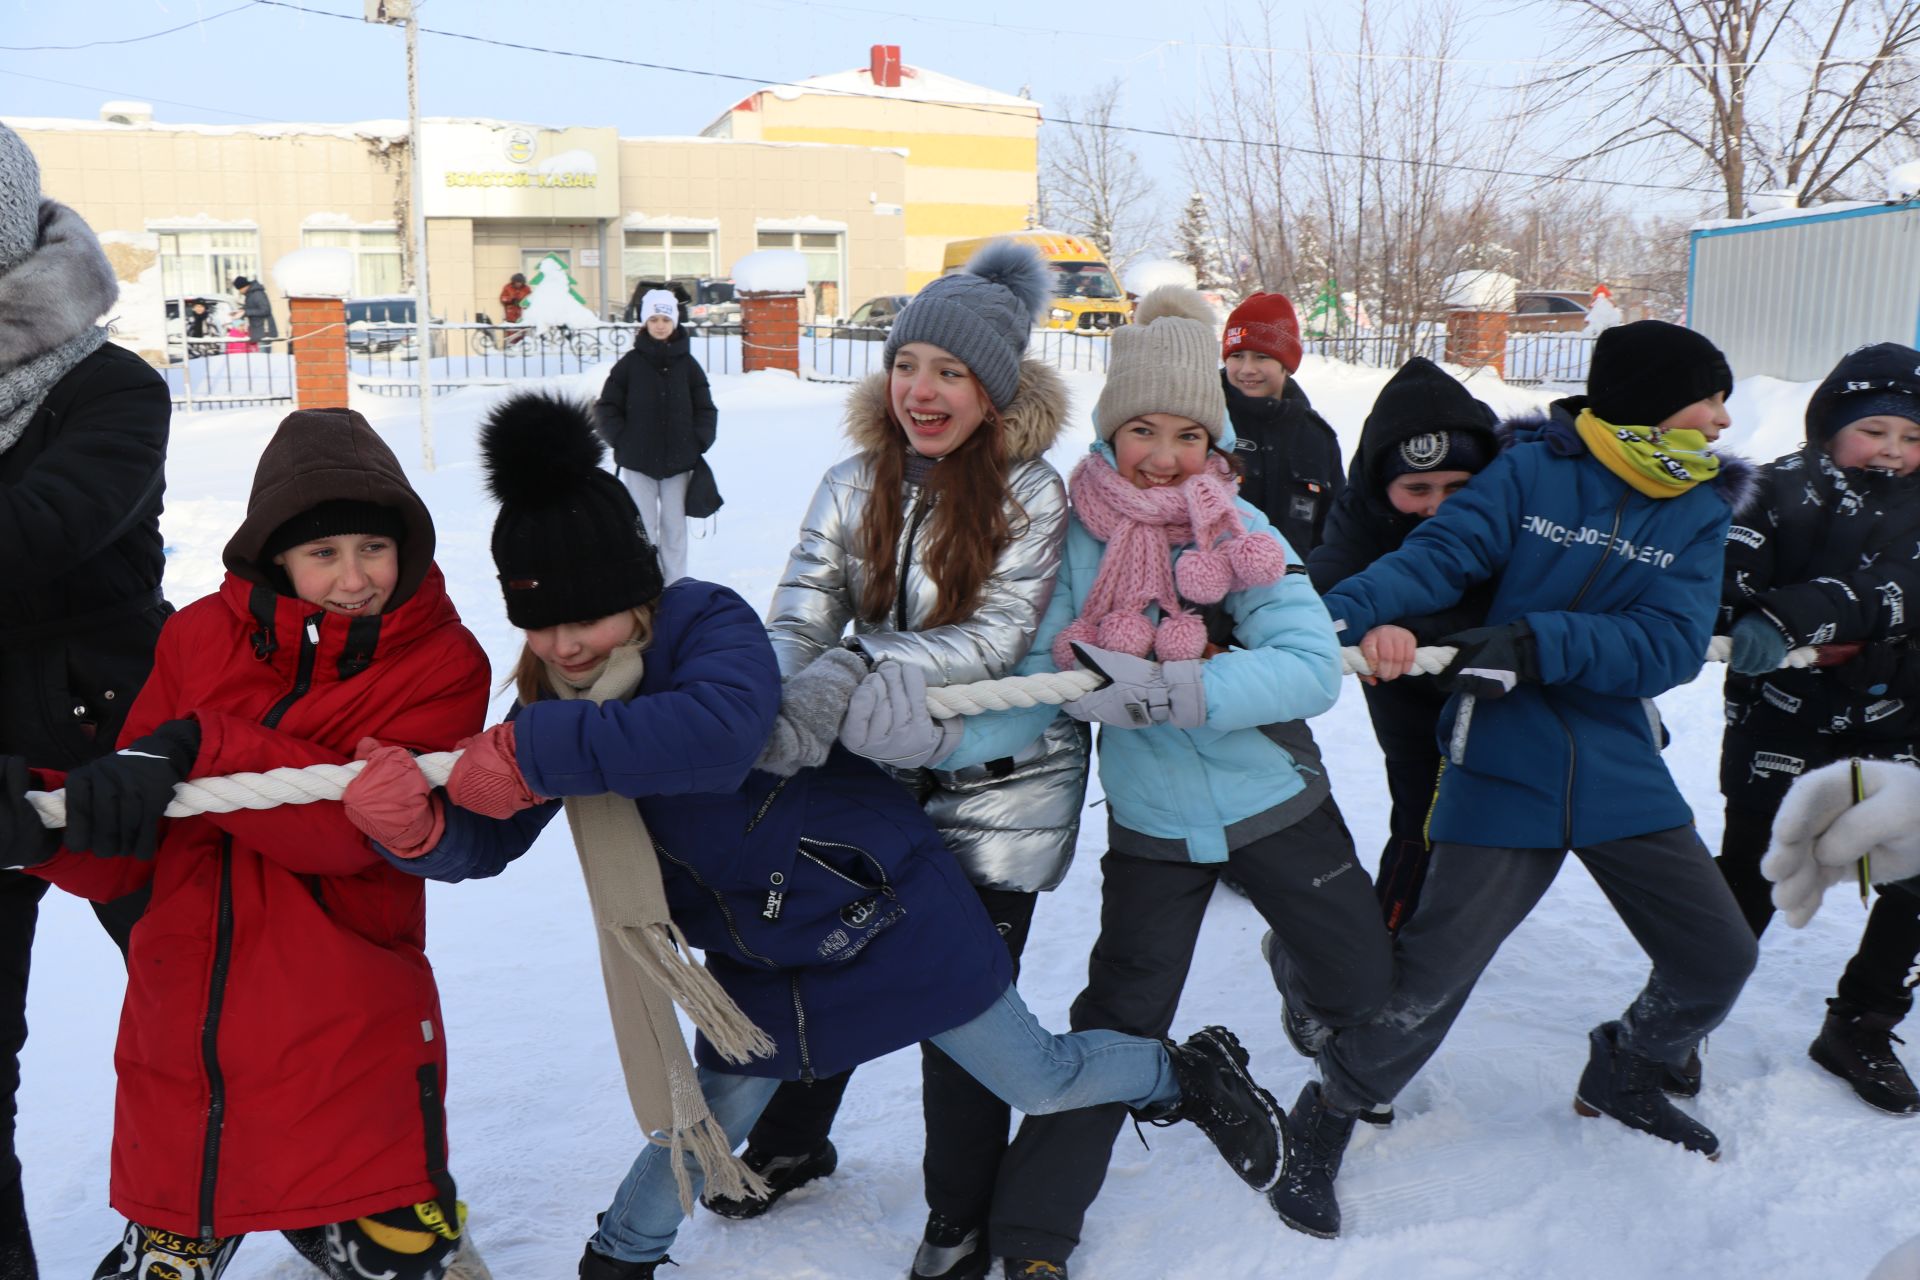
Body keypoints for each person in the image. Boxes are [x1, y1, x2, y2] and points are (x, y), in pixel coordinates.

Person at [337, 389, 1287, 1280]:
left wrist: (535, 748)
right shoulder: (559, 702)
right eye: (539, 627)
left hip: (884, 908)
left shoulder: (706, 626)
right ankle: (620, 1255)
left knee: (1038, 1077)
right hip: (762, 958)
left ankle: (1179, 1068)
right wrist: (417, 831)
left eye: (583, 618)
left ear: (636, 591)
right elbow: (493, 833)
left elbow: (721, 734)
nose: (563, 646)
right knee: (703, 1115)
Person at [934, 286, 1391, 1274]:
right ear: (1110, 428)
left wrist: (1179, 687)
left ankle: (1296, 969)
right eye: (1142, 427)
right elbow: (1039, 683)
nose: (1165, 452)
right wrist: (937, 739)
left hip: (1278, 804)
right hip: (1153, 829)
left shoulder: (1241, 527)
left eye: (1190, 431)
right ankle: (1034, 1235)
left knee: (1362, 984)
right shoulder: (1072, 537)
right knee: (1120, 1015)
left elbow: (1309, 665)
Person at [2, 407, 491, 1279]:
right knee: (177, 1229)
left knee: (410, 1258)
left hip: (345, 1009)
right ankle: (202, 1223)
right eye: (324, 553)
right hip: (187, 1018)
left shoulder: (443, 660)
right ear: (276, 557)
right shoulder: (197, 636)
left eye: (373, 549)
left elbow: (352, 831)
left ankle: (351, 1217)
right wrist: (40, 830)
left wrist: (205, 745)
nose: (353, 580)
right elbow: (133, 844)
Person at [1297, 320, 1762, 1237]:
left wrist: (1537, 641)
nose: (1719, 419)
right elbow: (1433, 558)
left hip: (1616, 758)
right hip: (1502, 755)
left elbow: (1670, 644)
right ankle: (1327, 1117)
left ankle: (1628, 1066)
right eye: (1707, 397)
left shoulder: (1699, 505)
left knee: (1719, 957)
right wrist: (1319, 617)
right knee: (1430, 980)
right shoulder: (1532, 472)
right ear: (1650, 402)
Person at [719, 239, 1093, 1280]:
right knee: (826, 953)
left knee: (958, 1005)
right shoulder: (851, 482)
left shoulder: (1032, 494)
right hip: (869, 779)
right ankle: (795, 1137)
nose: (921, 390)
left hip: (1001, 793)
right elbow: (799, 612)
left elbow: (995, 641)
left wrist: (852, 663)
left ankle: (960, 1213)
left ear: (993, 389)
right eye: (908, 364)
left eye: (951, 372)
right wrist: (772, 698)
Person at [0, 121, 171, 1280]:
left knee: (215, 1016)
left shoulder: (114, 387)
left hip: (117, 757)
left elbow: (39, 532)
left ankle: (272, 1204)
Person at [1714, 342, 1920, 1114]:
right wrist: (1755, 622)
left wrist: (1866, 658)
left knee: (1914, 879)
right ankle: (1677, 1018)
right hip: (1781, 724)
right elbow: (1724, 595)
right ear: (1829, 424)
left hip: (1897, 724)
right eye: (1875, 430)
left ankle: (1862, 1022)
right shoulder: (1776, 492)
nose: (1894, 451)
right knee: (1756, 872)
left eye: (1912, 437)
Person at [1307, 357, 1500, 932]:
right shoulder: (1361, 513)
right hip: (1399, 683)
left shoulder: (1506, 514)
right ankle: (1384, 943)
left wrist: (1418, 629)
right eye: (1417, 488)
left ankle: (1455, 924)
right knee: (1421, 814)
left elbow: (1515, 599)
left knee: (1489, 819)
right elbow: (1332, 575)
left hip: (1494, 674)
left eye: (1457, 487)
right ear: (1380, 483)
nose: (1438, 505)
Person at [592, 289, 718, 583]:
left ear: (674, 321)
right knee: (643, 528)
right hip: (638, 463)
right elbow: (607, 406)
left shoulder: (688, 366)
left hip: (679, 464)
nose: (660, 325)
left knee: (674, 529)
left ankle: (675, 587)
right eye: (654, 318)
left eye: (665, 318)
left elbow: (705, 408)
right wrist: (622, 440)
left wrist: (698, 441)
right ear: (644, 322)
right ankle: (647, 586)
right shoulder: (630, 364)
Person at [1218, 291, 1343, 557]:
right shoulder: (1202, 424)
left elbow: (1337, 536)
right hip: (1214, 589)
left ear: (1286, 365)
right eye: (1237, 355)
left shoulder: (1317, 438)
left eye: (1262, 357)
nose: (1247, 369)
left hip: (1294, 590)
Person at [231, 275, 277, 349]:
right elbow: (251, 308)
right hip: (258, 331)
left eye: (239, 289)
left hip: (264, 331)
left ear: (243, 287)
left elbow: (266, 310)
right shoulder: (250, 295)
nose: (239, 292)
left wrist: (246, 312)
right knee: (259, 358)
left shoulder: (257, 294)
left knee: (263, 358)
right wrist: (241, 311)